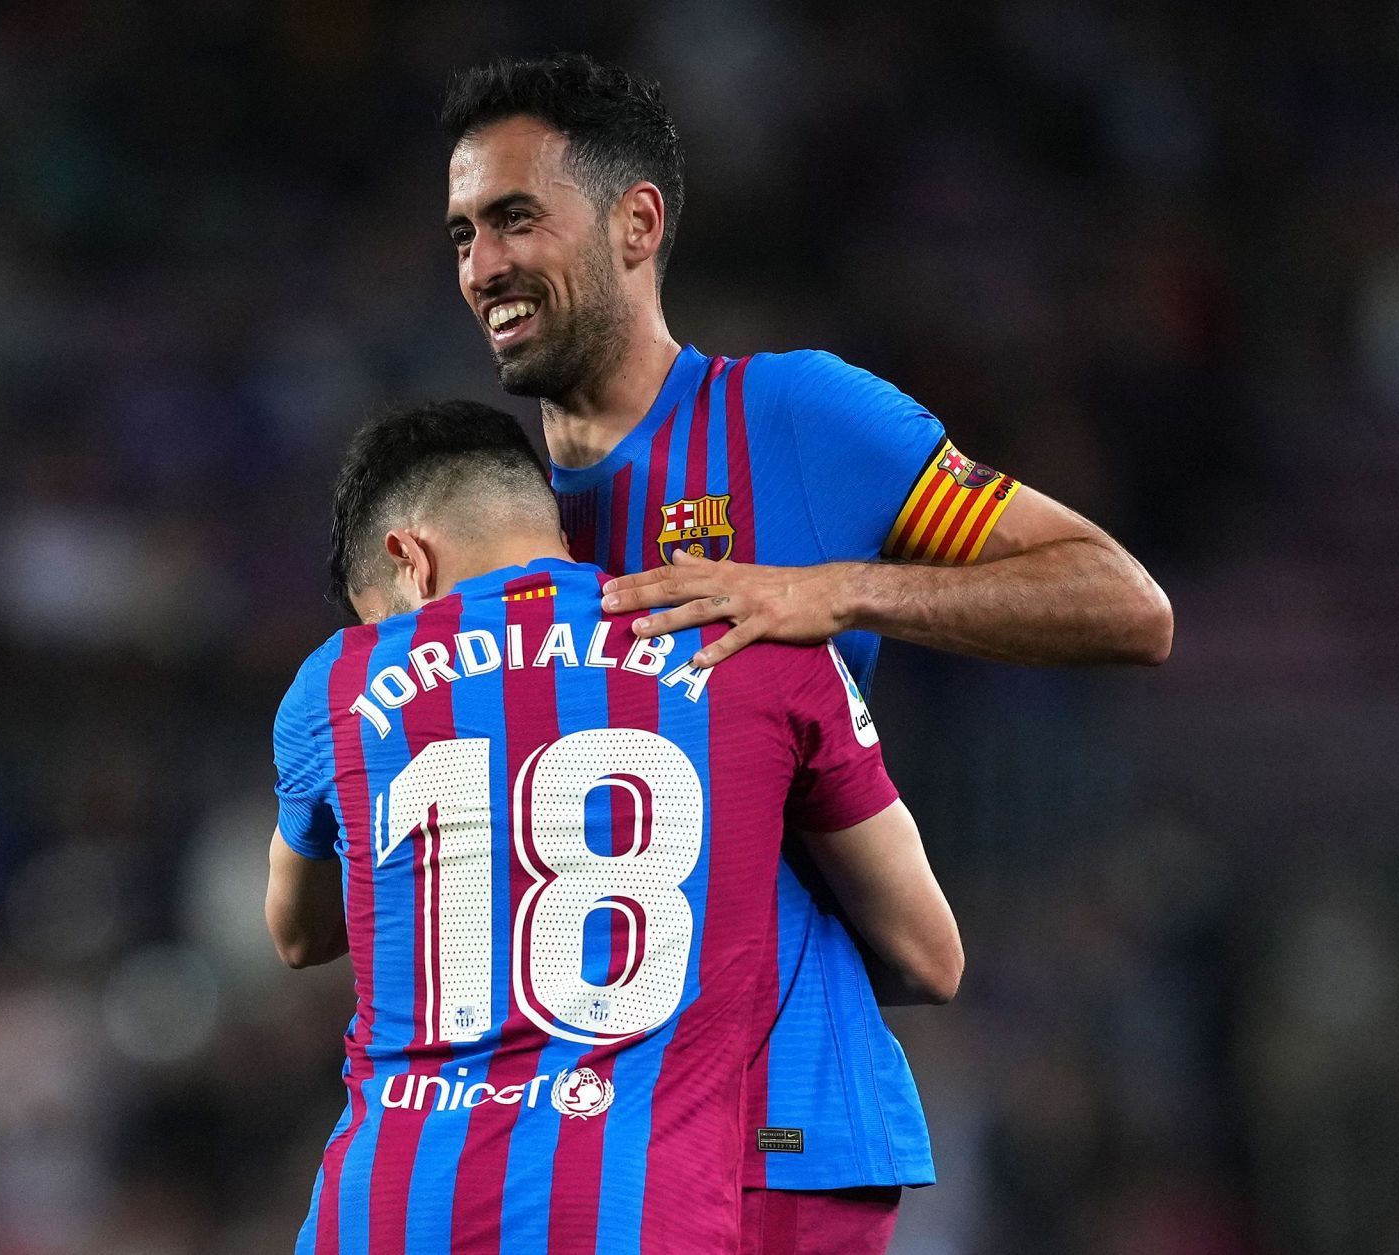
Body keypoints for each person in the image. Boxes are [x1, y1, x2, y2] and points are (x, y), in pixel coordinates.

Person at [436, 53, 1175, 1252]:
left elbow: (1123, 600)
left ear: (637, 222)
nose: (483, 265)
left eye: (517, 218)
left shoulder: (794, 422)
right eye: (465, 232)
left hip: (767, 1125)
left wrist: (829, 592)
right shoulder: (473, 512)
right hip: (545, 1129)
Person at [266, 401, 962, 1254]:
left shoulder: (333, 684)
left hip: (387, 1208)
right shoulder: (753, 639)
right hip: (639, 1205)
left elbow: (296, 933)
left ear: (408, 561)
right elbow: (933, 957)